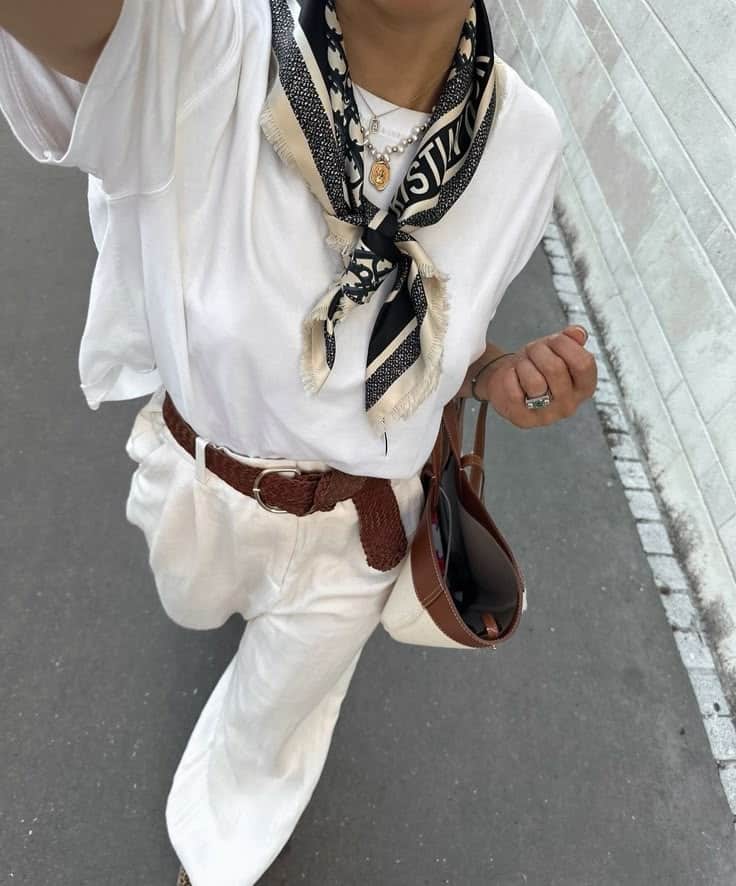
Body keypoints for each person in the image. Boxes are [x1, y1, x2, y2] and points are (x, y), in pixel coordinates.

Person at [0, 0, 597, 883]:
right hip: (201, 486)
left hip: (361, 527)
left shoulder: (525, 137)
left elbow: (454, 333)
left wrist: (495, 375)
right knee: (192, 607)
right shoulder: (203, 38)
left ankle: (218, 851)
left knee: (270, 724)